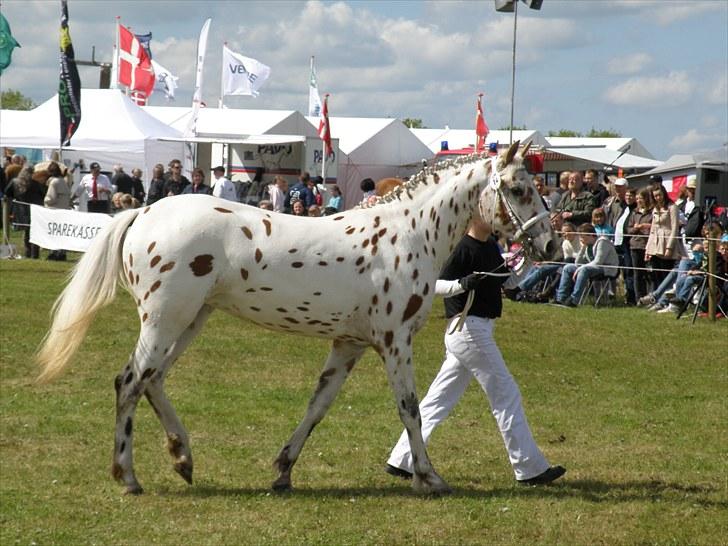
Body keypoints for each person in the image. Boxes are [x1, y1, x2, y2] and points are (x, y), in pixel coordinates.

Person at [385, 216, 566, 486]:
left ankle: (402, 460)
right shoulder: (461, 248)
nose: (494, 220)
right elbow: (430, 284)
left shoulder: (491, 246)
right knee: (506, 394)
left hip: (476, 330)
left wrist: (528, 259)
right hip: (468, 328)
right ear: (472, 217)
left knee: (439, 399)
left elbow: (510, 283)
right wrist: (460, 284)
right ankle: (529, 469)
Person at [554, 223, 619, 307]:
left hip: (607, 269)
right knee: (567, 267)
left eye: (583, 237)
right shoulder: (588, 246)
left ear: (591, 235)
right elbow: (578, 263)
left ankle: (574, 300)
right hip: (593, 268)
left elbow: (598, 262)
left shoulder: (602, 242)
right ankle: (561, 298)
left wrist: (580, 268)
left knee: (584, 270)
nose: (581, 239)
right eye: (580, 237)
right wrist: (583, 248)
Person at [645, 183, 687, 288]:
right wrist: (648, 249)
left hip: (667, 243)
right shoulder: (655, 209)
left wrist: (669, 247)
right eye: (655, 196)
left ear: (664, 194)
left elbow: (674, 228)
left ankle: (665, 299)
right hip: (655, 244)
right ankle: (657, 299)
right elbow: (652, 230)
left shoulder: (672, 207)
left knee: (666, 274)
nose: (657, 198)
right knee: (656, 274)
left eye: (659, 195)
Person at [4, 165, 46, 259]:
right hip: (34, 210)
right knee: (34, 233)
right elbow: (43, 194)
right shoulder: (35, 183)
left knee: (27, 232)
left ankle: (28, 252)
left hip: (20, 211)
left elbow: (7, 193)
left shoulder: (15, 182)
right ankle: (34, 254)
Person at [656, 241, 706, 314]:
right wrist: (691, 271)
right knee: (681, 277)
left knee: (688, 277)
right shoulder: (703, 257)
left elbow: (710, 270)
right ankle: (674, 301)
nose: (697, 253)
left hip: (706, 276)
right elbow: (698, 265)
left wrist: (698, 272)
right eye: (694, 252)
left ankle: (675, 302)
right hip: (695, 271)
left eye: (700, 251)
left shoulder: (713, 256)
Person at [630, 188, 654, 303]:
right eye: (637, 198)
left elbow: (654, 228)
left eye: (641, 198)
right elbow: (628, 229)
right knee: (637, 274)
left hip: (647, 246)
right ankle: (638, 298)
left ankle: (650, 297)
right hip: (635, 245)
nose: (639, 200)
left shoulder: (652, 212)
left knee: (649, 274)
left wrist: (644, 227)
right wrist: (635, 228)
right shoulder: (634, 212)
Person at [680, 176, 704, 240]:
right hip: (681, 237)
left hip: (696, 239)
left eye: (694, 189)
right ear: (687, 190)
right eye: (690, 189)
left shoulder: (702, 206)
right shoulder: (681, 205)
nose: (692, 192)